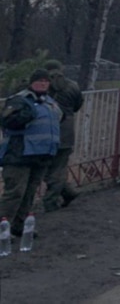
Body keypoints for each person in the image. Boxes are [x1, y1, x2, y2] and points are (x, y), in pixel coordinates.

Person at [0, 69, 62, 235]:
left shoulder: (49, 102)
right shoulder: (20, 99)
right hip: (18, 154)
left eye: (46, 81)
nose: (43, 83)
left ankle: (18, 226)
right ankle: (2, 228)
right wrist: (26, 115)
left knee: (29, 193)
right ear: (31, 82)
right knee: (15, 193)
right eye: (39, 80)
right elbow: (7, 121)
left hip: (41, 155)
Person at [42, 61, 83, 212]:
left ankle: (51, 201)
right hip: (66, 131)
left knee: (45, 167)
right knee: (58, 167)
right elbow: (78, 105)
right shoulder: (73, 85)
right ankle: (67, 192)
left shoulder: (44, 86)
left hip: (46, 131)